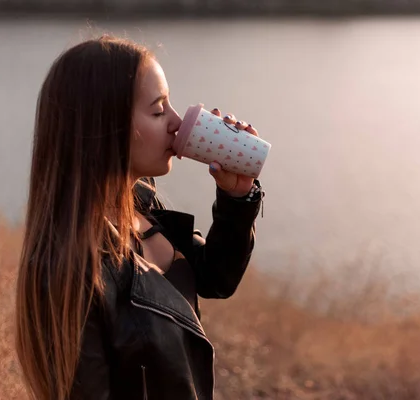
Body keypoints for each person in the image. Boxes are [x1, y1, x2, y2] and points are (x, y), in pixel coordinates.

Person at [15, 35, 264, 400]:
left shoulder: (141, 207)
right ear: (105, 124)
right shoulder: (66, 266)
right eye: (159, 110)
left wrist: (237, 196)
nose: (178, 122)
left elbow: (216, 278)